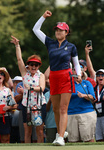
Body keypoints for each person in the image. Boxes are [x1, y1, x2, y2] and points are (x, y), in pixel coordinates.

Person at [33, 10, 82, 146]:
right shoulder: (50, 43)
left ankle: (60, 136)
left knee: (62, 108)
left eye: (61, 31)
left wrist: (78, 75)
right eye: (57, 30)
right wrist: (43, 16)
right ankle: (61, 131)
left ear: (66, 32)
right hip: (54, 77)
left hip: (66, 76)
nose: (58, 33)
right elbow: (35, 29)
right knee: (55, 108)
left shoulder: (71, 46)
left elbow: (76, 63)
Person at [10, 36, 46, 143]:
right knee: (27, 132)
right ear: (28, 66)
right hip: (27, 105)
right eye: (31, 64)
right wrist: (17, 45)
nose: (33, 66)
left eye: (36, 65)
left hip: (39, 104)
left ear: (39, 66)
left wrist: (29, 88)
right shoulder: (25, 74)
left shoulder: (41, 75)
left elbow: (42, 88)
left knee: (39, 131)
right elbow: (19, 59)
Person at [67, 67, 96, 142]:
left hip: (86, 112)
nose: (76, 73)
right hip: (71, 113)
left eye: (79, 71)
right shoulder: (68, 84)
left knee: (88, 139)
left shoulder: (86, 83)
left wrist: (84, 96)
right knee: (73, 141)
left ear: (82, 73)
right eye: (75, 71)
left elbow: (92, 98)